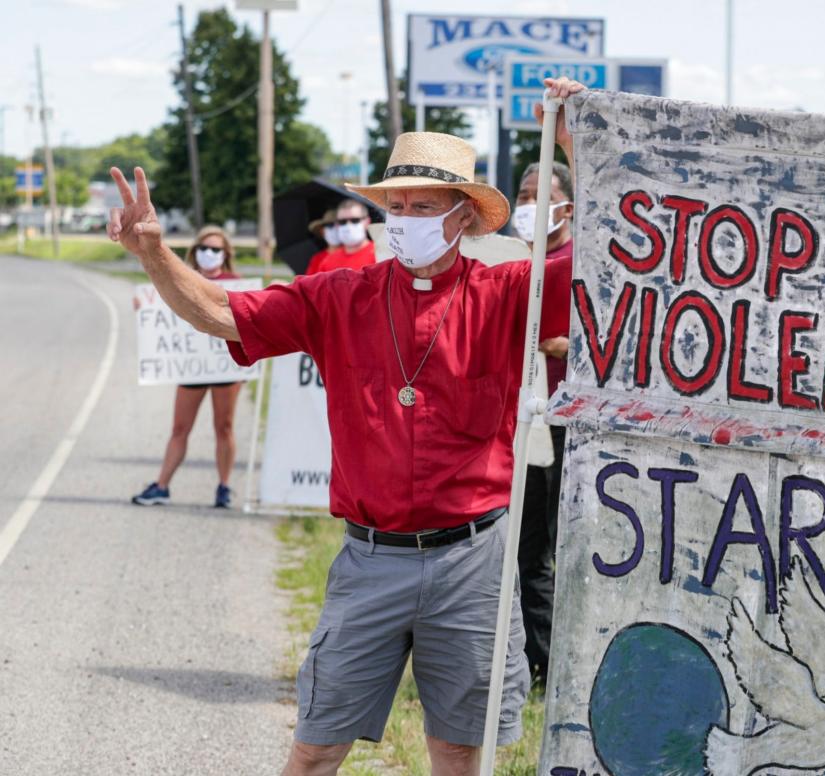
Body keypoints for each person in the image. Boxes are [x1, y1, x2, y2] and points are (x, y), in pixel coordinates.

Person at [107, 76, 586, 776]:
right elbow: (221, 313)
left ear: (462, 216)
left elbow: (615, 253)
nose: (405, 218)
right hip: (371, 559)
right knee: (316, 747)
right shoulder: (338, 296)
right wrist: (154, 252)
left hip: (474, 560)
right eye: (395, 206)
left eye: (424, 205)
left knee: (458, 750)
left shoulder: (512, 291)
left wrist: (573, 139)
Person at [512, 159, 574, 684]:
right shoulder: (514, 264)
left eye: (539, 195)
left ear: (567, 207)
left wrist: (558, 344)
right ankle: (538, 661)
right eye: (523, 194)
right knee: (523, 546)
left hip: (565, 426)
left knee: (551, 548)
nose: (528, 205)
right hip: (521, 424)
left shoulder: (584, 263)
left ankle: (557, 666)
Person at [131, 225, 245, 509]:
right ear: (195, 252)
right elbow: (161, 306)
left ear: (225, 254)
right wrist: (145, 307)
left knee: (225, 427)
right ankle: (162, 486)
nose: (210, 254)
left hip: (224, 366)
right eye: (204, 248)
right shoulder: (183, 280)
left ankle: (224, 487)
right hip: (190, 365)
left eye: (216, 249)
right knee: (180, 428)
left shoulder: (238, 284)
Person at [308, 199, 375, 273]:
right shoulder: (328, 262)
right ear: (337, 225)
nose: (348, 225)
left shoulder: (380, 253)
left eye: (355, 220)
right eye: (343, 222)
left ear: (367, 222)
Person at [304, 207, 340, 275]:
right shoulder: (317, 259)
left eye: (340, 224)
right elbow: (309, 283)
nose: (335, 229)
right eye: (330, 225)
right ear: (322, 231)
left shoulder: (354, 254)